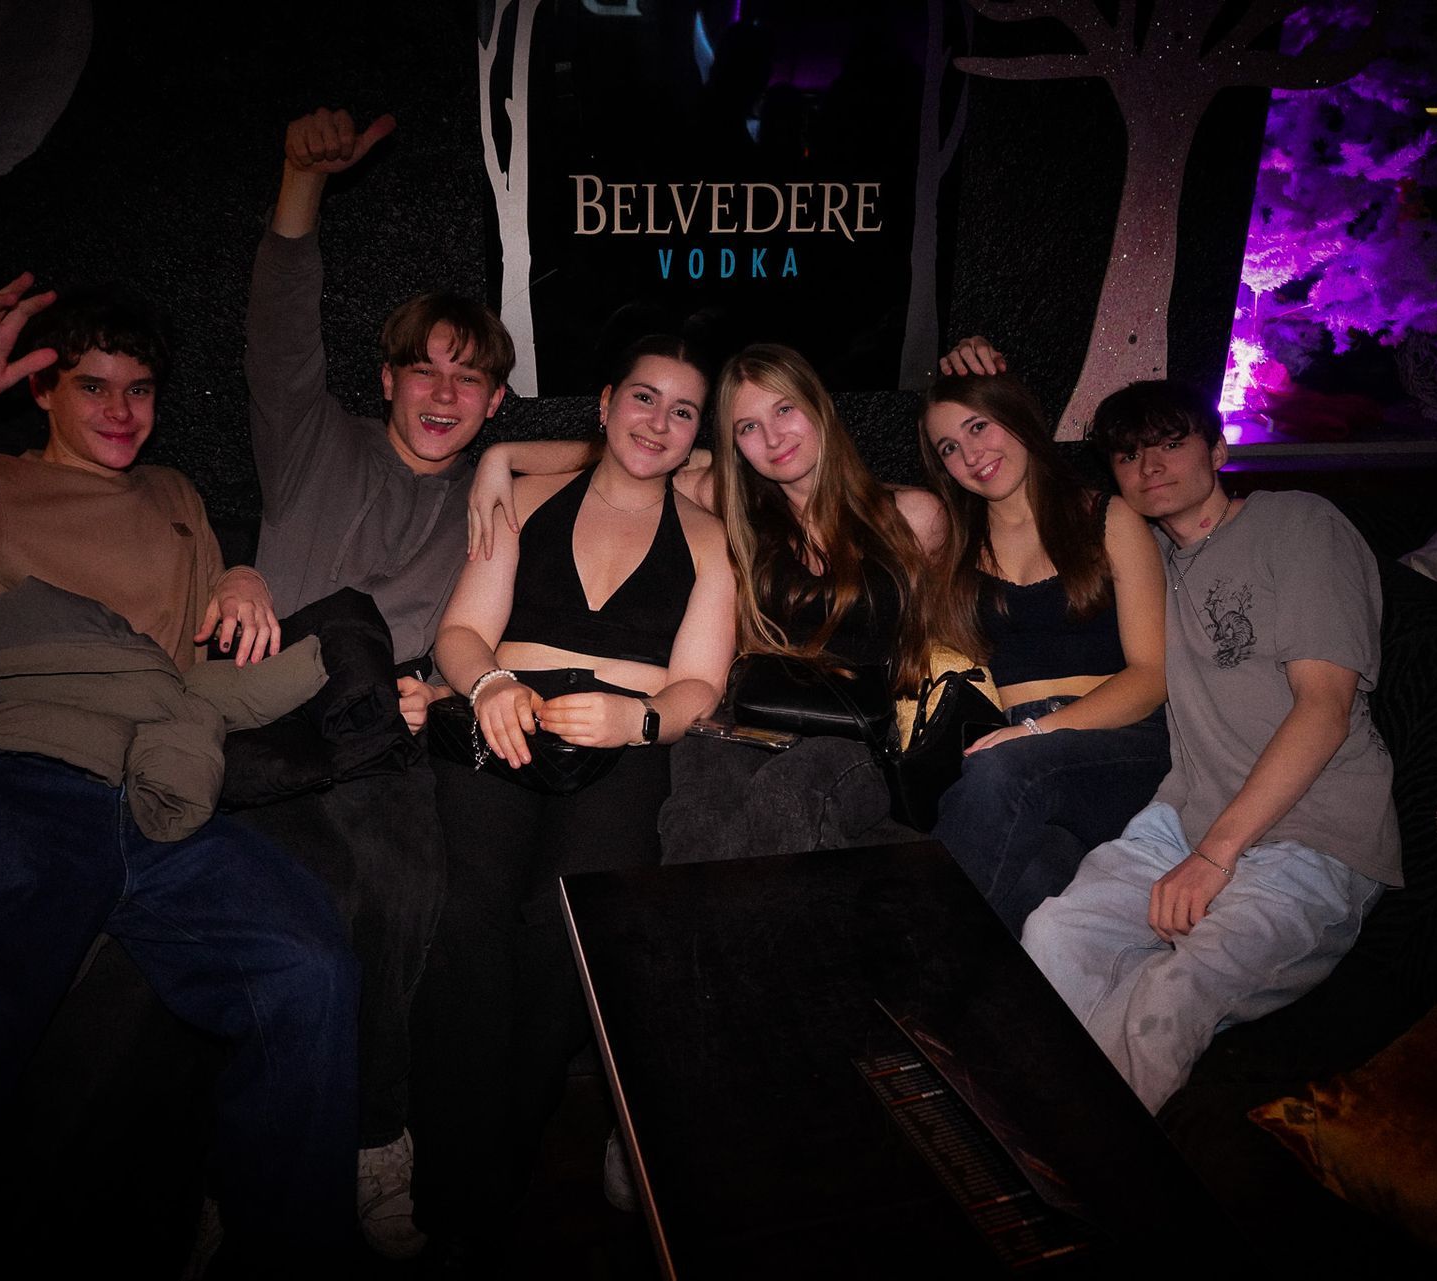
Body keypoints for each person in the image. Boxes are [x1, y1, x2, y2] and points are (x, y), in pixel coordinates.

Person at [0, 277, 362, 1270]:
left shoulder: (174, 496)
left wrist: (241, 576)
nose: (122, 411)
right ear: (43, 391)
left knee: (310, 967)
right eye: (93, 386)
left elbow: (199, 651)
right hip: (18, 766)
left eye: (140, 389)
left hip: (157, 788)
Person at [242, 105, 516, 1256]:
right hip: (264, 712)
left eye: (471, 380)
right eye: (425, 370)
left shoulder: (491, 506)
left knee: (405, 893)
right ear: (390, 379)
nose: (445, 395)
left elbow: (653, 460)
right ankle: (252, 1159)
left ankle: (375, 1138)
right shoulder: (315, 437)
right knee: (305, 914)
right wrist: (301, 178)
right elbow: (278, 322)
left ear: (495, 402)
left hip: (384, 731)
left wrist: (442, 696)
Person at [410, 336, 735, 1261]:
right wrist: (489, 685)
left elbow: (700, 685)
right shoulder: (526, 498)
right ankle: (451, 1179)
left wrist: (640, 720)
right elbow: (462, 630)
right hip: (501, 715)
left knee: (567, 930)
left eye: (681, 411)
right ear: (605, 402)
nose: (658, 422)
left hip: (621, 741)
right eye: (643, 397)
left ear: (695, 435)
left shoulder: (710, 536)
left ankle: (502, 1165)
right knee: (468, 916)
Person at [1021, 380, 1401, 1115]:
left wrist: (1215, 856)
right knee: (1055, 932)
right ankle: (1033, 1133)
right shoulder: (1148, 560)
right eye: (1129, 455)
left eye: (1172, 443)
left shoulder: (1299, 523)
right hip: (1184, 821)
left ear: (1219, 449)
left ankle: (1082, 1156)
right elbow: (1020, 493)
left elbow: (1325, 711)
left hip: (1315, 836)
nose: (1150, 466)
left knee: (1172, 993)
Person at [470, 342, 944, 861]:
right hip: (747, 720)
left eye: (785, 409)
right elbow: (631, 453)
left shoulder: (911, 516)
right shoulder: (732, 504)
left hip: (851, 736)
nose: (772, 437)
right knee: (697, 817)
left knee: (788, 794)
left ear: (821, 405)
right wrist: (500, 457)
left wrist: (504, 454)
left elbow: (950, 627)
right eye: (748, 426)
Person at [918, 360, 1169, 933]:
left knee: (999, 772)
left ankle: (903, 954)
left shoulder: (1107, 517)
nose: (971, 454)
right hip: (1023, 762)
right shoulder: (956, 545)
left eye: (979, 426)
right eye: (949, 447)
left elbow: (1152, 675)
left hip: (1119, 741)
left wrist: (1038, 732)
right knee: (1029, 888)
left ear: (1016, 416)